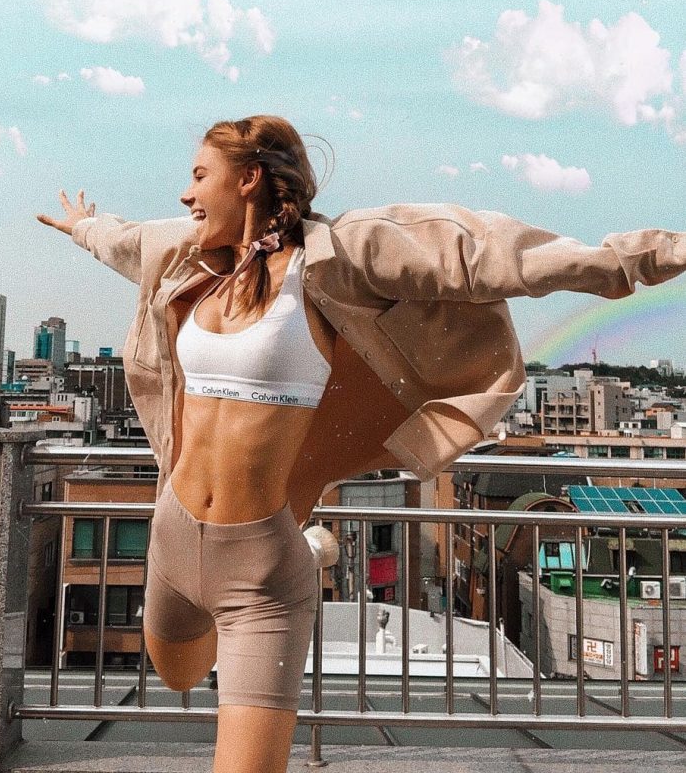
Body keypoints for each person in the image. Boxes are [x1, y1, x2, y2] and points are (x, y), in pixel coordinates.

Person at [37, 114, 686, 773]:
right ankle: (242, 599)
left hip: (261, 573)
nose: (186, 193)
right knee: (176, 673)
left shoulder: (338, 259)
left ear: (249, 178)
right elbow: (130, 242)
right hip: (171, 538)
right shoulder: (191, 257)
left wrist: (642, 257)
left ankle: (290, 571)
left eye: (200, 175)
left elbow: (486, 255)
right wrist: (86, 227)